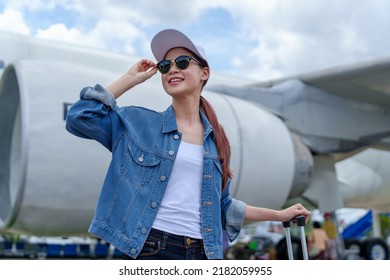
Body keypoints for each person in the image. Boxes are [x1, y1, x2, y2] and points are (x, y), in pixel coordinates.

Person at [65, 28, 310, 260]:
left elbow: (222, 205)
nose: (172, 69)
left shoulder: (216, 140)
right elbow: (80, 117)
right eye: (165, 66)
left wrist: (279, 215)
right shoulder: (138, 123)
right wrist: (130, 78)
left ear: (204, 72)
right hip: (150, 249)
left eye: (182, 62)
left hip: (204, 251)